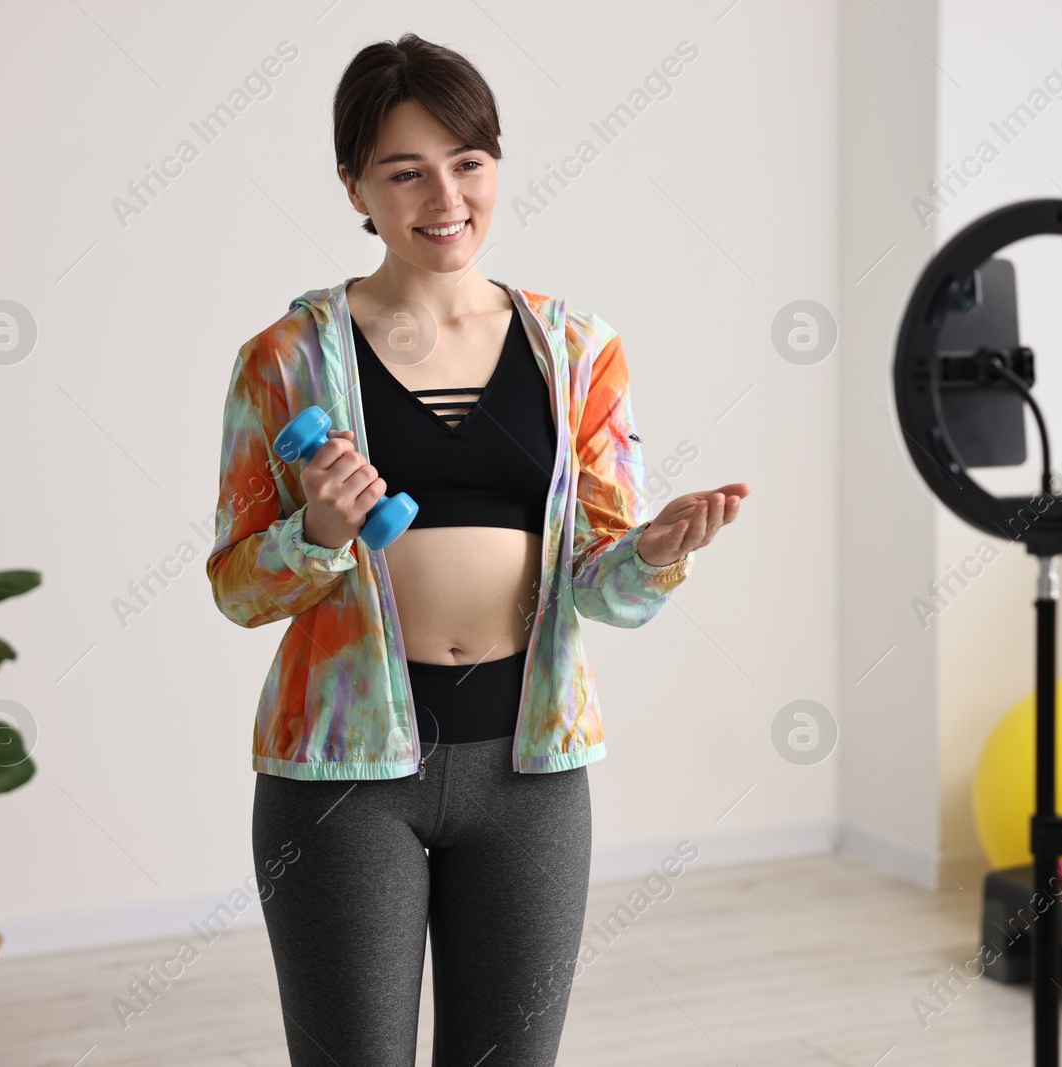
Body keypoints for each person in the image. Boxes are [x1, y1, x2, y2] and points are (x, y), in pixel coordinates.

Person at [209, 32, 748, 1067]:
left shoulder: (577, 348)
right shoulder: (286, 360)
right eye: (404, 171)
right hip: (340, 780)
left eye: (467, 162)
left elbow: (603, 586)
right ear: (354, 187)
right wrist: (317, 530)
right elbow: (236, 588)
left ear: (495, 165)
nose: (443, 195)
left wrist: (661, 549)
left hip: (531, 773)